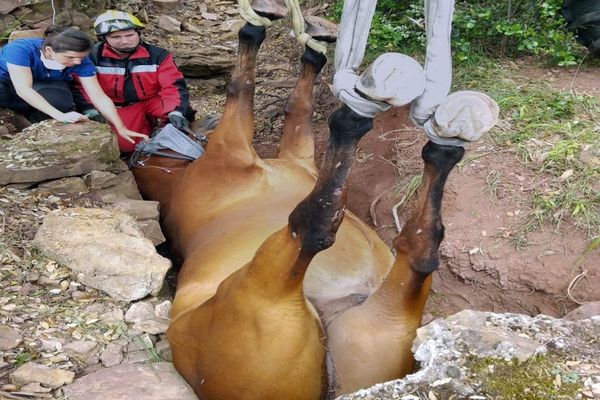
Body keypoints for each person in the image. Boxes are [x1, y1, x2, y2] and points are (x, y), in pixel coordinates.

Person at [0, 26, 147, 146]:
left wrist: (121, 127)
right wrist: (60, 116)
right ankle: (22, 112)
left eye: (81, 57)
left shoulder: (81, 60)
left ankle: (36, 113)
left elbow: (98, 96)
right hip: (7, 82)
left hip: (44, 83)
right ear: (49, 50)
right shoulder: (20, 50)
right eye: (70, 57)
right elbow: (23, 88)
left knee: (59, 101)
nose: (77, 62)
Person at [74, 10, 196, 153]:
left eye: (130, 35)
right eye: (116, 37)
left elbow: (173, 85)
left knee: (182, 114)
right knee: (127, 146)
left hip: (151, 100)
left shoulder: (158, 55)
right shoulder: (92, 57)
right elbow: (80, 87)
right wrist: (90, 109)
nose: (125, 41)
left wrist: (176, 112)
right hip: (117, 107)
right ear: (103, 38)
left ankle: (164, 131)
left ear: (138, 33)